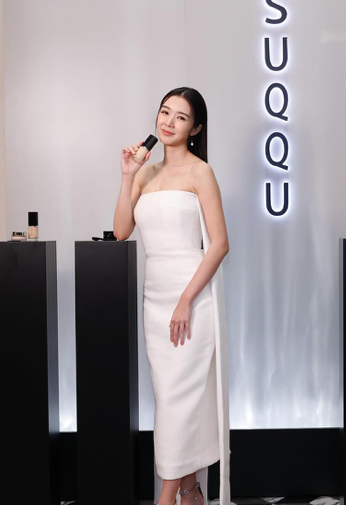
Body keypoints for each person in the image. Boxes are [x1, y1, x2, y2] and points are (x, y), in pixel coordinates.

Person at [113, 87, 230, 505]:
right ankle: (190, 490)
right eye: (165, 112)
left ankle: (166, 499)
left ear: (195, 128)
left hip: (192, 298)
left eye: (181, 117)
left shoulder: (201, 173)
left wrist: (185, 300)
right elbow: (122, 231)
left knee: (179, 401)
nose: (169, 122)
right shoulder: (145, 174)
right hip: (155, 298)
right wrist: (128, 175)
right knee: (169, 399)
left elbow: (219, 244)